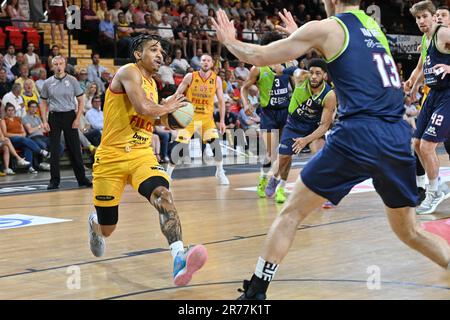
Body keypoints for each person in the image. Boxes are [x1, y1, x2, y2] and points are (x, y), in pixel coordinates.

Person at [212, 2, 450, 300]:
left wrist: (229, 40)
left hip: (357, 135)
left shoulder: (326, 29)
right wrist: (303, 35)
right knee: (410, 232)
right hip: (395, 135)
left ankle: (256, 293)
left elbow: (259, 55)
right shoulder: (371, 26)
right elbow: (346, 46)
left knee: (290, 214)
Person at [88, 34, 207, 286]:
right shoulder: (129, 72)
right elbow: (143, 108)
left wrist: (172, 117)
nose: (160, 54)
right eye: (153, 49)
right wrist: (167, 108)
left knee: (163, 195)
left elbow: (154, 117)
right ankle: (95, 224)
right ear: (138, 55)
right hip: (111, 158)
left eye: (162, 51)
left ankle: (179, 257)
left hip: (142, 155)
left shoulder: (153, 85)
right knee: (108, 227)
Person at [266, 59, 336, 204]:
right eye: (312, 73)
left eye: (318, 73)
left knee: (321, 158)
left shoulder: (329, 95)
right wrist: (277, 67)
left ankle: (325, 193)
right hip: (294, 124)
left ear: (324, 76)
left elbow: (324, 126)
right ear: (307, 73)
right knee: (284, 157)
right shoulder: (300, 76)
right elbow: (285, 70)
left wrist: (306, 140)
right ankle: (275, 178)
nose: (314, 76)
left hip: (314, 127)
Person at [404, 1, 450, 215]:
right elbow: (421, 65)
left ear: (434, 17)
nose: (421, 21)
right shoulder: (426, 38)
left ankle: (433, 192)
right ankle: (436, 184)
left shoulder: (443, 34)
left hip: (448, 95)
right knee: (416, 143)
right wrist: (412, 82)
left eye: (425, 16)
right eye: (418, 18)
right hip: (433, 94)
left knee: (427, 146)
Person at [240, 32, 296, 198]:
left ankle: (281, 188)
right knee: (271, 155)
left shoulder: (288, 64)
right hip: (269, 113)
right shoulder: (258, 68)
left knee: (287, 153)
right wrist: (246, 103)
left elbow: (298, 86)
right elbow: (244, 88)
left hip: (286, 112)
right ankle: (264, 179)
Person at [166, 53, 229, 185]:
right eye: (203, 60)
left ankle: (220, 172)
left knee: (215, 146)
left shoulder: (217, 80)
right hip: (190, 118)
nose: (205, 62)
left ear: (212, 64)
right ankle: (168, 174)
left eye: (208, 61)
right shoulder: (190, 76)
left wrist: (222, 121)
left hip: (207, 119)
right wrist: (168, 105)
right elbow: (177, 94)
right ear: (200, 63)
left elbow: (222, 102)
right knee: (179, 146)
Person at [39, 56, 92, 190]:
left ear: (65, 65)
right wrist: (44, 121)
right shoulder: (48, 82)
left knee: (75, 149)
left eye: (61, 63)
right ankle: (54, 181)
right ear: (52, 66)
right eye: (56, 64)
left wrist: (77, 119)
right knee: (54, 150)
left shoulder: (73, 80)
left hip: (69, 115)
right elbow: (43, 102)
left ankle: (82, 179)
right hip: (54, 116)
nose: (58, 66)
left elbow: (81, 101)